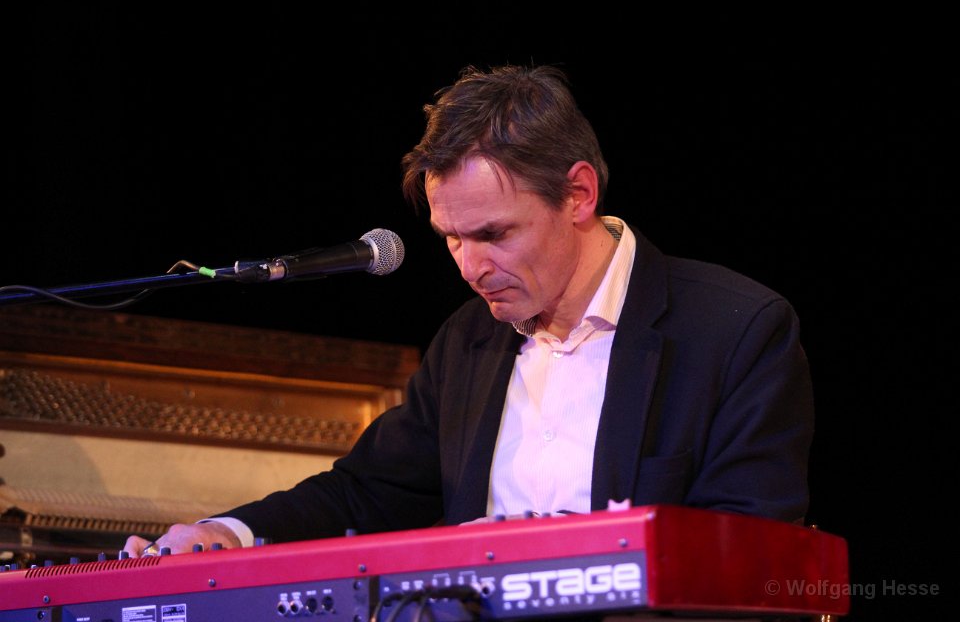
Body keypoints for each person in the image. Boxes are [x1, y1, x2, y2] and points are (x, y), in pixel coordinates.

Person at [124, 64, 815, 557]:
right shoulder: (469, 340)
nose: (469, 267)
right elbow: (368, 492)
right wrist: (230, 533)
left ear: (578, 195)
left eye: (493, 233)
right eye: (451, 238)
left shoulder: (735, 332)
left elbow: (750, 550)